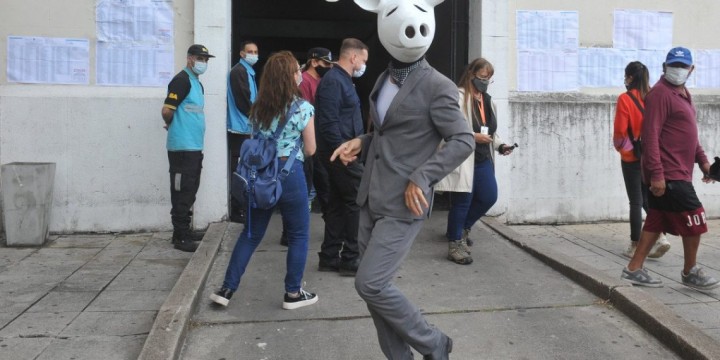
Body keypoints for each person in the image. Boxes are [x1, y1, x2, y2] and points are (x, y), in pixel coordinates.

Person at [210, 51, 319, 309]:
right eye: (296, 71)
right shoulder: (303, 108)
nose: (299, 74)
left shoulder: (258, 107)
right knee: (299, 235)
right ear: (289, 78)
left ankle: (226, 290)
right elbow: (312, 149)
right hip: (290, 174)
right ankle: (293, 294)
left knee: (251, 234)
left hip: (260, 174)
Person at [621, 47, 719, 291]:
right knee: (696, 217)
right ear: (664, 67)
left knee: (656, 221)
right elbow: (650, 137)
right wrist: (656, 175)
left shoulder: (683, 94)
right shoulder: (660, 95)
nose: (678, 70)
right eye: (673, 65)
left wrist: (705, 165)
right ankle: (690, 271)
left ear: (691, 69)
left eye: (683, 66)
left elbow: (690, 137)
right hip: (668, 173)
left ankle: (633, 269)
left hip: (678, 171)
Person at [435, 58, 514, 265]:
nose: (485, 82)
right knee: (463, 201)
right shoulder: (458, 98)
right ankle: (454, 245)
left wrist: (500, 145)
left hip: (483, 157)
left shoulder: (488, 101)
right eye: (482, 78)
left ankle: (462, 229)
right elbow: (449, 128)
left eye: (489, 79)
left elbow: (490, 130)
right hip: (464, 157)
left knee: (489, 196)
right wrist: (473, 136)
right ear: (471, 75)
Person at [314, 39, 368, 275]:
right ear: (353, 57)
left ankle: (329, 256)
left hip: (342, 152)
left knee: (337, 203)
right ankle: (350, 258)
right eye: (363, 60)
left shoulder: (343, 81)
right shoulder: (334, 81)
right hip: (341, 154)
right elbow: (328, 121)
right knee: (358, 200)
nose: (364, 65)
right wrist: (342, 151)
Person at [613, 61, 671, 259]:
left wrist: (626, 151)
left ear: (630, 77)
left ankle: (635, 244)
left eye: (625, 76)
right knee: (648, 199)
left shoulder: (625, 99)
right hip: (652, 156)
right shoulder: (653, 96)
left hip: (632, 157)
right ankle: (661, 237)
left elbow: (620, 133)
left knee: (635, 201)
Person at [161, 44, 215, 253]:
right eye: (200, 58)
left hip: (193, 145)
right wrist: (173, 122)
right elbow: (167, 110)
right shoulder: (181, 80)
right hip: (182, 147)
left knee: (190, 188)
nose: (203, 63)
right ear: (190, 58)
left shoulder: (196, 83)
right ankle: (180, 236)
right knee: (182, 189)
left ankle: (184, 230)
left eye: (206, 59)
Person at [278, 47, 334, 247]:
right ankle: (290, 232)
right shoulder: (304, 85)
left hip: (317, 142)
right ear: (314, 61)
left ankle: (332, 231)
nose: (328, 67)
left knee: (324, 188)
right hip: (303, 147)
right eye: (325, 63)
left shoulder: (321, 82)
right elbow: (303, 118)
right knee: (304, 190)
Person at [227, 40, 260, 223]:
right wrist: (257, 116)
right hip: (239, 128)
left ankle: (242, 207)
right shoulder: (239, 71)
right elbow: (243, 100)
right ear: (242, 53)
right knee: (239, 170)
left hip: (246, 127)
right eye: (250, 51)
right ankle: (237, 209)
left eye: (255, 51)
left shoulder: (248, 72)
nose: (253, 54)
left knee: (246, 168)